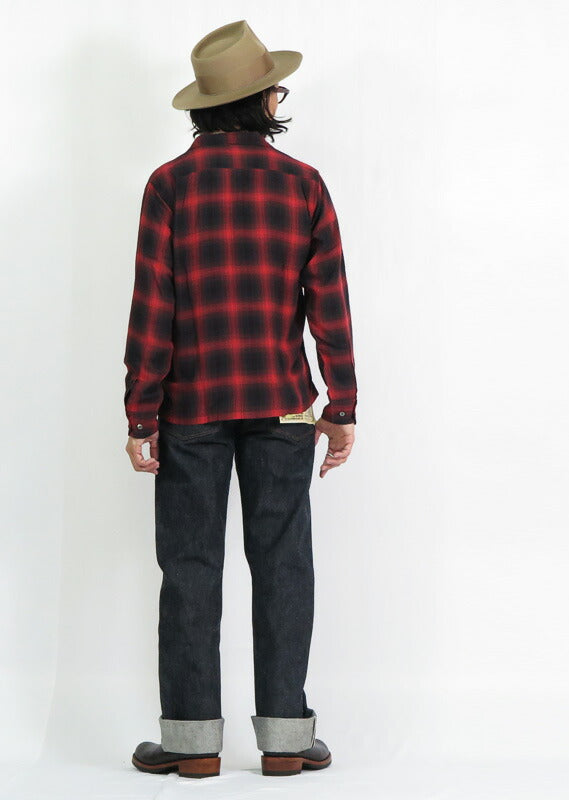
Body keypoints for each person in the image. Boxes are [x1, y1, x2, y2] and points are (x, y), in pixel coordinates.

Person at [123, 20, 357, 779]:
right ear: (262, 101)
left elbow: (152, 310)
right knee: (284, 564)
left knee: (190, 568)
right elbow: (330, 306)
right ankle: (286, 738)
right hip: (283, 404)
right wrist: (341, 406)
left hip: (189, 409)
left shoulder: (169, 185)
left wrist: (140, 414)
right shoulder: (303, 184)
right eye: (276, 89)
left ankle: (192, 744)